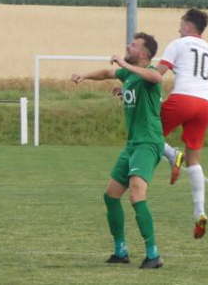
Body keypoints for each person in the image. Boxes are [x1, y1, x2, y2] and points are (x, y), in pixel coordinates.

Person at [71, 32, 164, 269]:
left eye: (133, 45)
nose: (127, 47)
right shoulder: (130, 76)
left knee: (136, 194)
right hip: (132, 144)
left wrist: (124, 64)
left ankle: (153, 254)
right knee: (111, 195)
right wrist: (84, 76)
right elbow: (106, 73)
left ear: (143, 54)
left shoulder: (148, 73)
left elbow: (156, 78)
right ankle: (120, 251)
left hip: (148, 143)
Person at [156, 8, 208, 239]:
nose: (178, 29)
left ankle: (171, 154)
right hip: (205, 104)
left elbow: (158, 73)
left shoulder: (178, 44)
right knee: (195, 160)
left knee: (145, 131)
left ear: (189, 26)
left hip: (183, 98)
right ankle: (200, 211)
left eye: (181, 24)